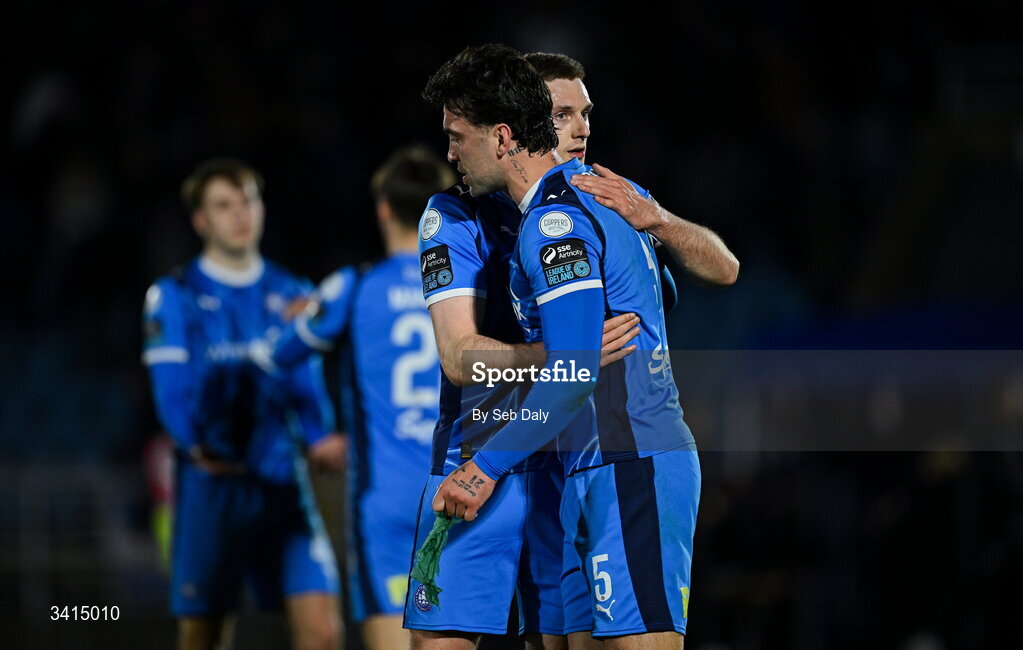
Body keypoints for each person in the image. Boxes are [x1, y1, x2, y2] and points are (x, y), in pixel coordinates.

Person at [427, 44, 704, 649]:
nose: (450, 154)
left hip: (630, 461)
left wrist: (482, 468)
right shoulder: (595, 200)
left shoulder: (557, 222)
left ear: (502, 138)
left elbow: (573, 372)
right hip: (589, 467)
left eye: (459, 137)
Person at [142, 158, 343, 650]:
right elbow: (169, 389)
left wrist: (321, 437)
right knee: (203, 637)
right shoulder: (175, 295)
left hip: (282, 484)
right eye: (223, 205)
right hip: (215, 489)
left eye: (248, 200)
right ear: (200, 220)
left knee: (321, 632)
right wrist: (194, 445)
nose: (240, 215)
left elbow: (307, 383)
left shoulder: (293, 291)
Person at [270, 146, 454, 650]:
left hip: (385, 502)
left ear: (383, 209)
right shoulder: (466, 288)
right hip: (458, 494)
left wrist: (304, 316)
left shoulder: (353, 287)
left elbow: (280, 355)